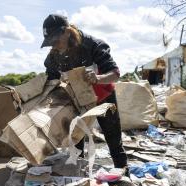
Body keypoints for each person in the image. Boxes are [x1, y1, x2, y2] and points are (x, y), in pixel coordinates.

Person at [41, 14, 128, 173]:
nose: (54, 45)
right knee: (76, 141)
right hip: (77, 101)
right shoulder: (53, 56)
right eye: (50, 42)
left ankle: (124, 177)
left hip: (103, 98)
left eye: (56, 40)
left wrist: (98, 78)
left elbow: (115, 73)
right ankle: (77, 180)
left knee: (113, 140)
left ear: (67, 32)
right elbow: (50, 80)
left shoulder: (93, 45)